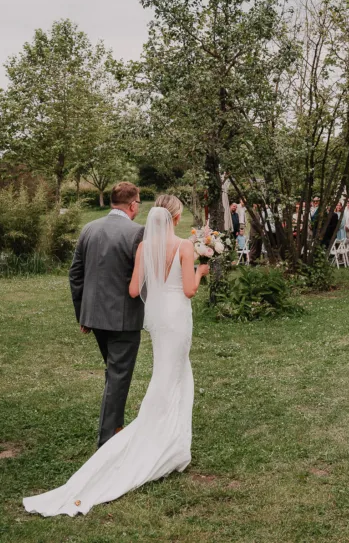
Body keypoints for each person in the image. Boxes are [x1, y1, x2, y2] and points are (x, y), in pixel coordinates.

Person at [25, 194, 210, 516]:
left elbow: (132, 289)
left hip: (135, 319)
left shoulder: (130, 243)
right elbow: (190, 289)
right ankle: (140, 438)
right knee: (164, 375)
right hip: (171, 318)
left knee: (162, 373)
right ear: (176, 219)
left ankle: (172, 442)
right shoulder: (181, 246)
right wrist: (201, 270)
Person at [64, 182, 144, 451]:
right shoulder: (137, 233)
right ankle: (107, 441)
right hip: (123, 319)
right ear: (132, 205)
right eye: (139, 203)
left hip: (95, 318)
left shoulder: (89, 228)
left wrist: (83, 314)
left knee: (114, 374)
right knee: (119, 375)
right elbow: (141, 280)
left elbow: (75, 274)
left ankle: (116, 427)